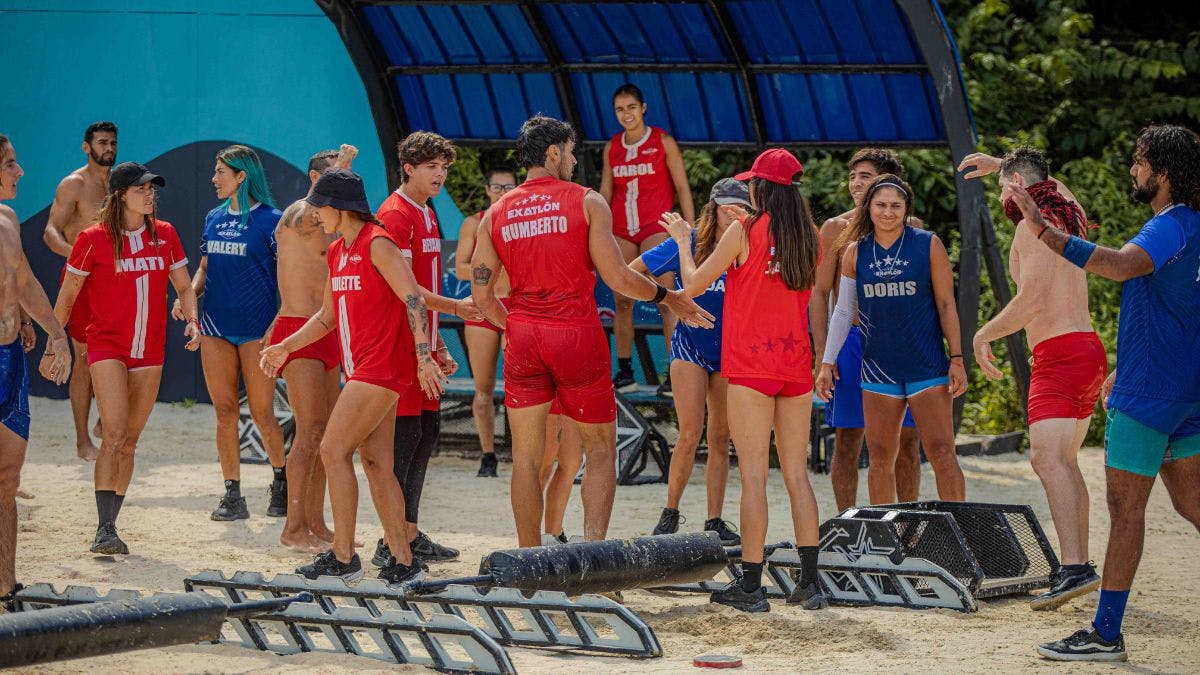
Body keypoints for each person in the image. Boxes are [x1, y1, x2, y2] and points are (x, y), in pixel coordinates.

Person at [470, 115, 712, 547]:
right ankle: (593, 551)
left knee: (525, 458)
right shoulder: (586, 201)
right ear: (553, 153)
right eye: (570, 151)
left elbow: (482, 295)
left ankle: (530, 560)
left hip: (524, 337)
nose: (574, 160)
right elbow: (617, 277)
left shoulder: (495, 213)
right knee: (600, 449)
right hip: (576, 335)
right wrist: (667, 297)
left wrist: (519, 326)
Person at [1028, 125, 1200, 663]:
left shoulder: (1170, 223)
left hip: (1149, 397)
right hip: (1186, 392)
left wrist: (1046, 233)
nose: (1133, 169)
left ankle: (1105, 635)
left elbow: (1122, 265)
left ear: (1163, 172)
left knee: (1125, 511)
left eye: (1140, 161)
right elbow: (1177, 312)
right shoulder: (1195, 224)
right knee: (1193, 504)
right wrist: (1126, 364)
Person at [261, 167, 442, 584]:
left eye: (319, 209)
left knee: (331, 449)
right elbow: (326, 317)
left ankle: (343, 556)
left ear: (338, 207)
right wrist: (287, 346)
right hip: (362, 367)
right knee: (376, 463)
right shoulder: (338, 251)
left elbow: (414, 299)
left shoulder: (377, 242)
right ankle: (403, 561)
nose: (315, 216)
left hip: (382, 367)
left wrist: (424, 356)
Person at [665, 148, 824, 613]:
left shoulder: (743, 229)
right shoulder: (810, 236)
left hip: (751, 366)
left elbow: (693, 284)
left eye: (753, 182)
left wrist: (682, 241)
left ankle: (752, 587)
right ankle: (809, 584)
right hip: (795, 366)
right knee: (797, 475)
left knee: (753, 477)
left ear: (762, 187)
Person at [960, 147, 1104, 610]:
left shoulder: (1032, 228)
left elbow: (1033, 299)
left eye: (1004, 188)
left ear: (1019, 185)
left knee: (1047, 460)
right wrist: (1001, 165)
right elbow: (1050, 181)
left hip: (1060, 355)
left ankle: (1075, 567)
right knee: (1064, 462)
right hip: (1085, 349)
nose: (1002, 197)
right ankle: (1078, 564)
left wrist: (983, 333)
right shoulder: (1067, 212)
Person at [55, 161, 199, 555]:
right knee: (115, 434)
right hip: (106, 346)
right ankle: (103, 530)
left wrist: (193, 320)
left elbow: (184, 287)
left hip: (150, 350)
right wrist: (56, 341)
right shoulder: (92, 238)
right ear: (120, 196)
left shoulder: (165, 234)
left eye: (152, 189)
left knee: (130, 441)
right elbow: (67, 296)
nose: (150, 195)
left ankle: (112, 525)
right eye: (141, 189)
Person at [816, 174, 967, 505]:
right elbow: (843, 311)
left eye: (895, 206)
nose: (887, 212)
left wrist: (957, 358)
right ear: (868, 207)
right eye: (881, 205)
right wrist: (826, 362)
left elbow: (946, 305)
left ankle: (963, 526)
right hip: (878, 370)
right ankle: (885, 532)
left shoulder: (928, 244)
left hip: (926, 367)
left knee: (942, 451)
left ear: (906, 208)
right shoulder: (855, 252)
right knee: (880, 458)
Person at [373, 131, 482, 566]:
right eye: (431, 166)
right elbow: (407, 291)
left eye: (444, 167)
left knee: (425, 433)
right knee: (404, 440)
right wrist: (455, 308)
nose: (440, 174)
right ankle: (391, 541)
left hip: (422, 343)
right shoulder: (395, 214)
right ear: (408, 168)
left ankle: (410, 533)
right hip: (401, 346)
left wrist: (438, 343)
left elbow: (422, 288)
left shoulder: (426, 212)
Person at [809, 149, 923, 511]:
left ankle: (907, 523)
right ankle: (848, 522)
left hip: (901, 344)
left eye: (866, 176)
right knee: (847, 439)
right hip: (852, 342)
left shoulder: (914, 228)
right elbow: (819, 293)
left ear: (889, 183)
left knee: (907, 440)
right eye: (853, 175)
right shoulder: (835, 228)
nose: (856, 182)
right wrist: (823, 355)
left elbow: (925, 295)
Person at [180, 145, 286, 522]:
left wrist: (277, 325)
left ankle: (281, 480)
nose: (213, 178)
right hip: (215, 329)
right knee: (224, 412)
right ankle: (233, 495)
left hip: (258, 332)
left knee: (262, 414)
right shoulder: (213, 217)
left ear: (241, 176)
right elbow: (204, 268)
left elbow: (289, 281)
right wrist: (188, 296)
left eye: (220, 172)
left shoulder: (272, 220)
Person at [641, 178, 747, 544]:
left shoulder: (748, 242)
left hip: (729, 347)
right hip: (690, 345)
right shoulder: (689, 241)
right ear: (713, 206)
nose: (733, 213)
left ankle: (714, 519)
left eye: (741, 207)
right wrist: (668, 299)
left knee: (720, 436)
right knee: (689, 432)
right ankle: (670, 512)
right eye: (727, 206)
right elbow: (630, 271)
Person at [269, 145, 357, 552]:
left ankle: (317, 523)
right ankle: (292, 527)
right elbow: (306, 215)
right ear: (315, 179)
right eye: (332, 178)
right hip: (298, 330)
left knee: (327, 436)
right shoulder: (297, 215)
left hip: (328, 332)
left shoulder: (335, 223)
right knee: (308, 433)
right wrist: (342, 171)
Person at [0, 133, 72, 610]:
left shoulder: (7, 219)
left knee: (7, 477)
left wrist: (53, 332)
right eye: (10, 163)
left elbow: (23, 280)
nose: (20, 171)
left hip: (9, 361)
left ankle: (5, 586)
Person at [601, 83, 695, 394]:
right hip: (621, 229)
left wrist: (691, 232)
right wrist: (595, 229)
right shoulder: (612, 147)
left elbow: (682, 188)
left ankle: (674, 372)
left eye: (631, 107)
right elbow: (605, 192)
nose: (626, 114)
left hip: (655, 226)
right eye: (619, 109)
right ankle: (625, 371)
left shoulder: (662, 141)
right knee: (622, 299)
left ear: (643, 108)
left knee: (667, 299)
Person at [44, 121, 117, 461]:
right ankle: (82, 440)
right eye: (102, 142)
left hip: (115, 279)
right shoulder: (74, 184)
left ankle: (104, 422)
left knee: (119, 352)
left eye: (112, 142)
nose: (109, 148)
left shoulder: (120, 184)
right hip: (81, 279)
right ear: (87, 147)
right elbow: (50, 231)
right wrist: (76, 255)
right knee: (85, 358)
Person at [454, 166, 517, 478]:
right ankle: (488, 455)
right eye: (497, 187)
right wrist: (492, 269)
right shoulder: (474, 222)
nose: (502, 193)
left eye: (509, 187)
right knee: (483, 387)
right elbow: (460, 268)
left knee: (522, 386)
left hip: (515, 306)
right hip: (482, 306)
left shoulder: (524, 220)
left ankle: (524, 452)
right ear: (487, 190)